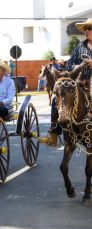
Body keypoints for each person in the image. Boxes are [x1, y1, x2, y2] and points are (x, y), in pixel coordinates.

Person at [39, 18, 92, 147]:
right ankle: (54, 133)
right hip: (79, 82)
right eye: (85, 29)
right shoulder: (80, 47)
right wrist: (76, 66)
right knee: (56, 98)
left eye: (89, 28)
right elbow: (70, 65)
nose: (86, 31)